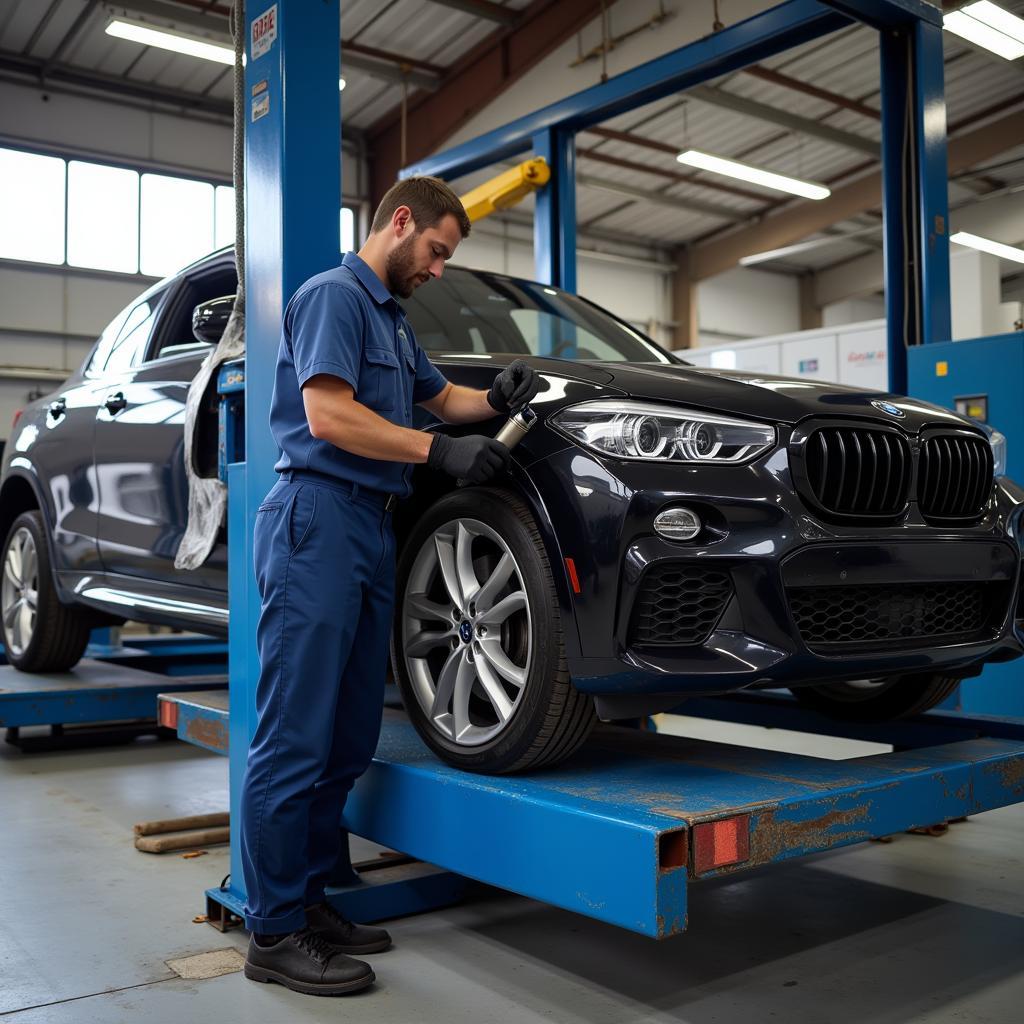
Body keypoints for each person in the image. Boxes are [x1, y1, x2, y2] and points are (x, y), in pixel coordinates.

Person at [240, 176, 540, 996]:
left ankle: (307, 899)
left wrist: (496, 399)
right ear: (399, 222)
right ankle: (272, 931)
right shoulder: (333, 298)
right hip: (316, 520)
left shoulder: (391, 321)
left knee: (346, 738)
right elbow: (331, 417)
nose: (440, 269)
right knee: (294, 735)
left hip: (369, 527)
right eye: (438, 251)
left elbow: (439, 397)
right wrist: (436, 453)